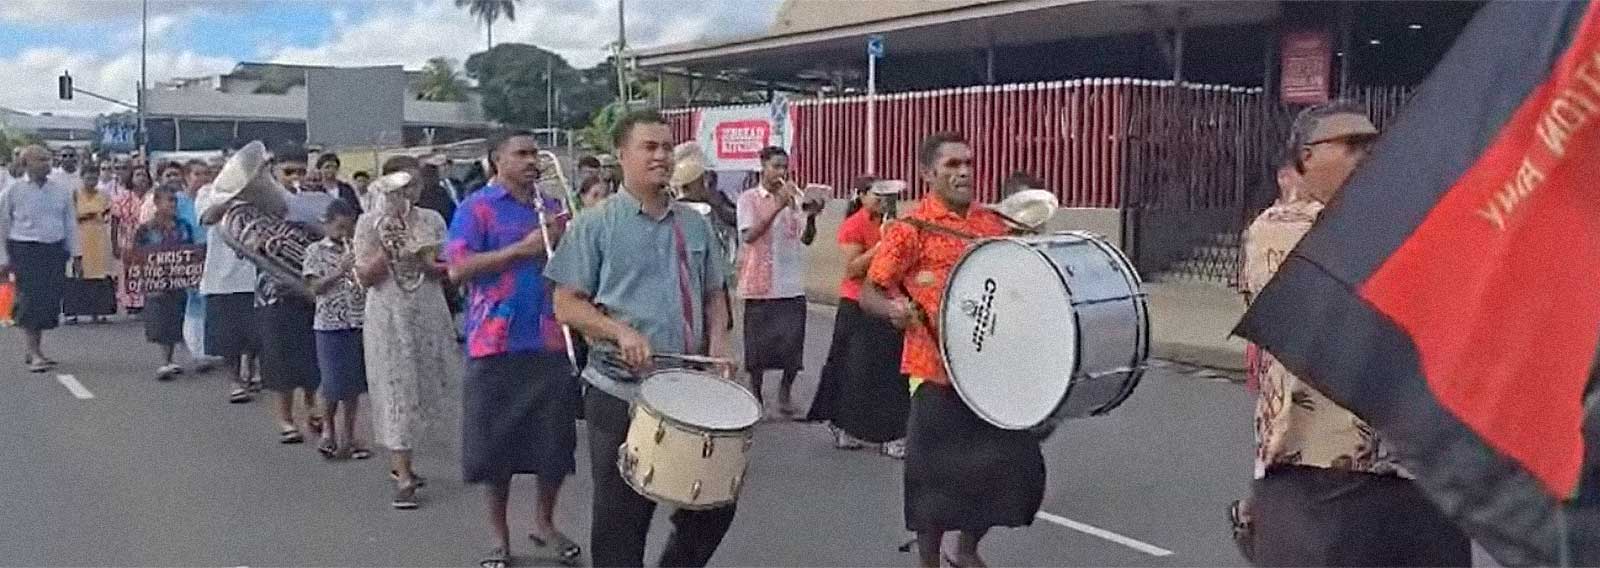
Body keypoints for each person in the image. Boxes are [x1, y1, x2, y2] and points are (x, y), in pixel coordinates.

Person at [1238, 101, 1470, 567]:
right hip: (1319, 475)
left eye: (1373, 144)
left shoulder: (1401, 223)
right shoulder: (1278, 230)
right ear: (1305, 158)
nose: (1368, 154)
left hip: (1415, 470)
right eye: (1351, 145)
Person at [545, 110, 735, 568]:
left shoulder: (694, 224)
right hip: (618, 390)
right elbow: (566, 304)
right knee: (621, 523)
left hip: (688, 388)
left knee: (714, 504)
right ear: (621, 155)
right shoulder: (595, 224)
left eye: (667, 147)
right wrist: (618, 331)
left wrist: (721, 345)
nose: (661, 156)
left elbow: (715, 296)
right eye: (649, 147)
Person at [860, 132, 1045, 568]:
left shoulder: (992, 223)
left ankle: (967, 550)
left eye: (968, 163)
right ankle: (929, 561)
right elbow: (871, 290)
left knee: (1010, 465)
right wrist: (892, 310)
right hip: (933, 369)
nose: (964, 172)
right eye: (951, 165)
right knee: (934, 479)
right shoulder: (910, 230)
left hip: (988, 372)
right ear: (928, 174)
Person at [448, 130, 582, 568]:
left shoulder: (554, 209)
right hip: (495, 342)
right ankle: (498, 537)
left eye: (534, 154)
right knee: (496, 449)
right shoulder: (476, 208)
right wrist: (520, 251)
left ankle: (544, 522)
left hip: (549, 339)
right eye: (521, 154)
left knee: (554, 446)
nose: (531, 161)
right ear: (496, 161)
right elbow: (458, 269)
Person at [355, 155, 459, 510]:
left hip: (426, 307)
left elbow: (446, 269)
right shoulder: (369, 222)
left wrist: (427, 260)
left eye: (413, 185)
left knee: (427, 385)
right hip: (388, 312)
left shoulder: (431, 219)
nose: (407, 193)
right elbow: (364, 278)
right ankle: (402, 474)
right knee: (394, 386)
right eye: (399, 186)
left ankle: (407, 461)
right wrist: (388, 251)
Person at [807, 176, 910, 458]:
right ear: (861, 196)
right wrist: (881, 245)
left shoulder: (894, 223)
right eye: (876, 195)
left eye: (887, 196)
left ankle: (892, 432)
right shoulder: (854, 225)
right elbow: (852, 269)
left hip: (887, 302)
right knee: (851, 370)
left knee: (891, 372)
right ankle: (844, 425)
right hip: (856, 303)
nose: (883, 200)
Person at [735, 146, 819, 418]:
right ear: (763, 166)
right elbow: (749, 235)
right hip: (760, 286)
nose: (781, 173)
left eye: (785, 167)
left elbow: (805, 239)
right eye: (776, 166)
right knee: (758, 350)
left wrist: (812, 216)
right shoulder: (748, 199)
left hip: (790, 284)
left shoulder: (793, 199)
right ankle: (756, 395)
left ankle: (785, 394)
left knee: (793, 347)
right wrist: (776, 207)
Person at [256, 144, 322, 444]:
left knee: (311, 355)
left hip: (310, 290)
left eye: (300, 171)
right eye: (288, 172)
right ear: (274, 172)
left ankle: (312, 409)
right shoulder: (260, 205)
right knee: (279, 358)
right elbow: (250, 246)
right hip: (274, 292)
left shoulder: (318, 200)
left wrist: (314, 226)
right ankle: (285, 419)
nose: (295, 177)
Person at [0, 146, 82, 372]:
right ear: (26, 164)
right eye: (40, 160)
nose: (46, 164)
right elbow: (3, 226)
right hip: (26, 250)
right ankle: (34, 351)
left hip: (53, 250)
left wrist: (76, 254)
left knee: (48, 300)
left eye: (48, 159)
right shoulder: (13, 191)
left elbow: (69, 223)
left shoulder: (60, 190)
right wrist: (3, 259)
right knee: (30, 299)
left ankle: (36, 349)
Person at [303, 199, 371, 461]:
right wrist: (340, 271)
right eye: (339, 227)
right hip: (329, 324)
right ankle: (328, 431)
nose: (344, 233)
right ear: (328, 224)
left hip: (359, 321)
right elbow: (314, 288)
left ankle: (349, 435)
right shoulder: (315, 251)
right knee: (332, 383)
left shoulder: (360, 248)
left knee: (353, 385)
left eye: (348, 228)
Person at [134, 184, 197, 381]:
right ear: (156, 203)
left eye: (175, 200)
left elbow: (192, 252)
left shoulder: (183, 226)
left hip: (178, 279)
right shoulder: (146, 229)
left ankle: (177, 357)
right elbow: (138, 255)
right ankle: (165, 360)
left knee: (178, 316)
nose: (173, 204)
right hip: (157, 281)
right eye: (168, 200)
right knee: (161, 318)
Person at [64, 163, 116, 323]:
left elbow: (109, 215)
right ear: (82, 177)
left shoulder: (104, 195)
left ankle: (98, 311)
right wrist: (88, 215)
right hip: (80, 237)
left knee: (99, 275)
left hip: (99, 238)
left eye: (95, 177)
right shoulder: (75, 195)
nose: (91, 180)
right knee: (78, 274)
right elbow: (70, 217)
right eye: (88, 177)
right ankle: (73, 313)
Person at [112, 161, 152, 313]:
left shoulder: (153, 198)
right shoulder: (122, 198)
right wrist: (114, 244)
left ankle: (145, 301)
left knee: (147, 271)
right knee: (129, 273)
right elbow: (115, 222)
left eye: (144, 175)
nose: (141, 178)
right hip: (128, 241)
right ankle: (130, 302)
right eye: (138, 175)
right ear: (131, 178)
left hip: (149, 241)